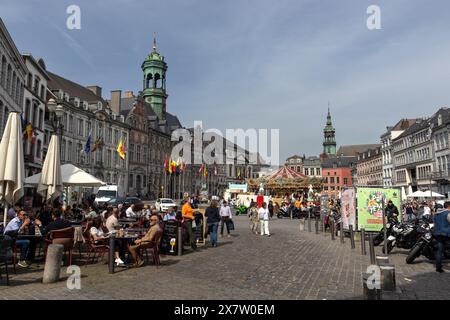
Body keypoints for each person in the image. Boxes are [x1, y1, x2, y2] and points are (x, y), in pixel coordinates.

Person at [433, 201, 450, 273]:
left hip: (438, 234)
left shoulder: (436, 214)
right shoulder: (448, 213)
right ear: (449, 206)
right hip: (446, 234)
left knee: (439, 250)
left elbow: (434, 223)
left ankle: (438, 268)